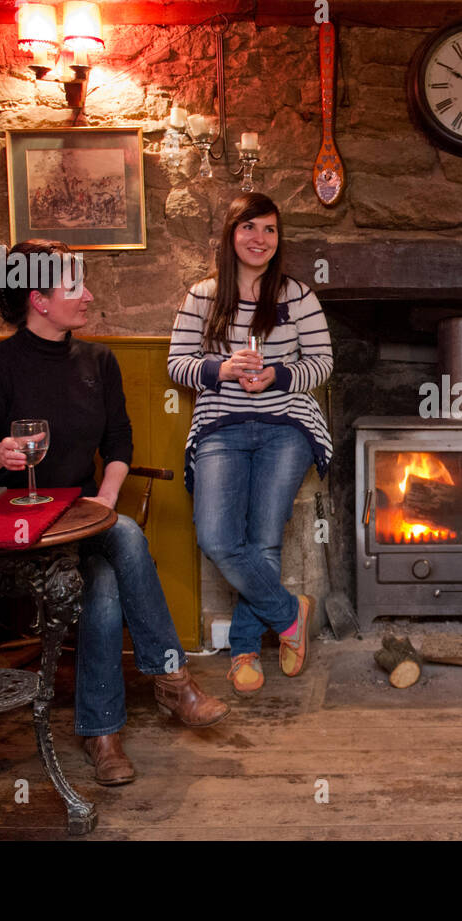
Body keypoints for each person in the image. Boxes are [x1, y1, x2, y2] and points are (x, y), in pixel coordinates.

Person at [0, 239, 230, 787]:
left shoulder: (98, 361)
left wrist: (105, 500)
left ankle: (102, 735)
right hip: (21, 525)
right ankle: (172, 681)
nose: (88, 296)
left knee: (106, 580)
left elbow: (120, 442)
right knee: (123, 543)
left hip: (84, 516)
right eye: (74, 287)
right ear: (38, 299)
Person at [167, 193, 333, 695]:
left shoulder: (297, 295)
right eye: (249, 228)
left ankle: (243, 649)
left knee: (263, 538)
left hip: (286, 423)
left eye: (269, 230)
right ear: (230, 234)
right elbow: (177, 364)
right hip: (222, 424)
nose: (259, 239)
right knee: (217, 537)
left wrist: (280, 374)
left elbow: (323, 362)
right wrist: (222, 369)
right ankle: (289, 612)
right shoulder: (202, 296)